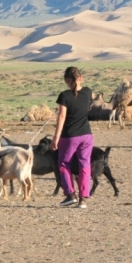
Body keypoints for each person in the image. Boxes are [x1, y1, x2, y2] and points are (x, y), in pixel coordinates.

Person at [51, 67, 93, 209]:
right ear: (80, 77)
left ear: (66, 81)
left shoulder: (64, 96)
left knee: (63, 164)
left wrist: (55, 138)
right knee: (84, 166)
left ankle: (70, 194)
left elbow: (62, 117)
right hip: (87, 135)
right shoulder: (88, 92)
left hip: (69, 136)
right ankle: (83, 199)